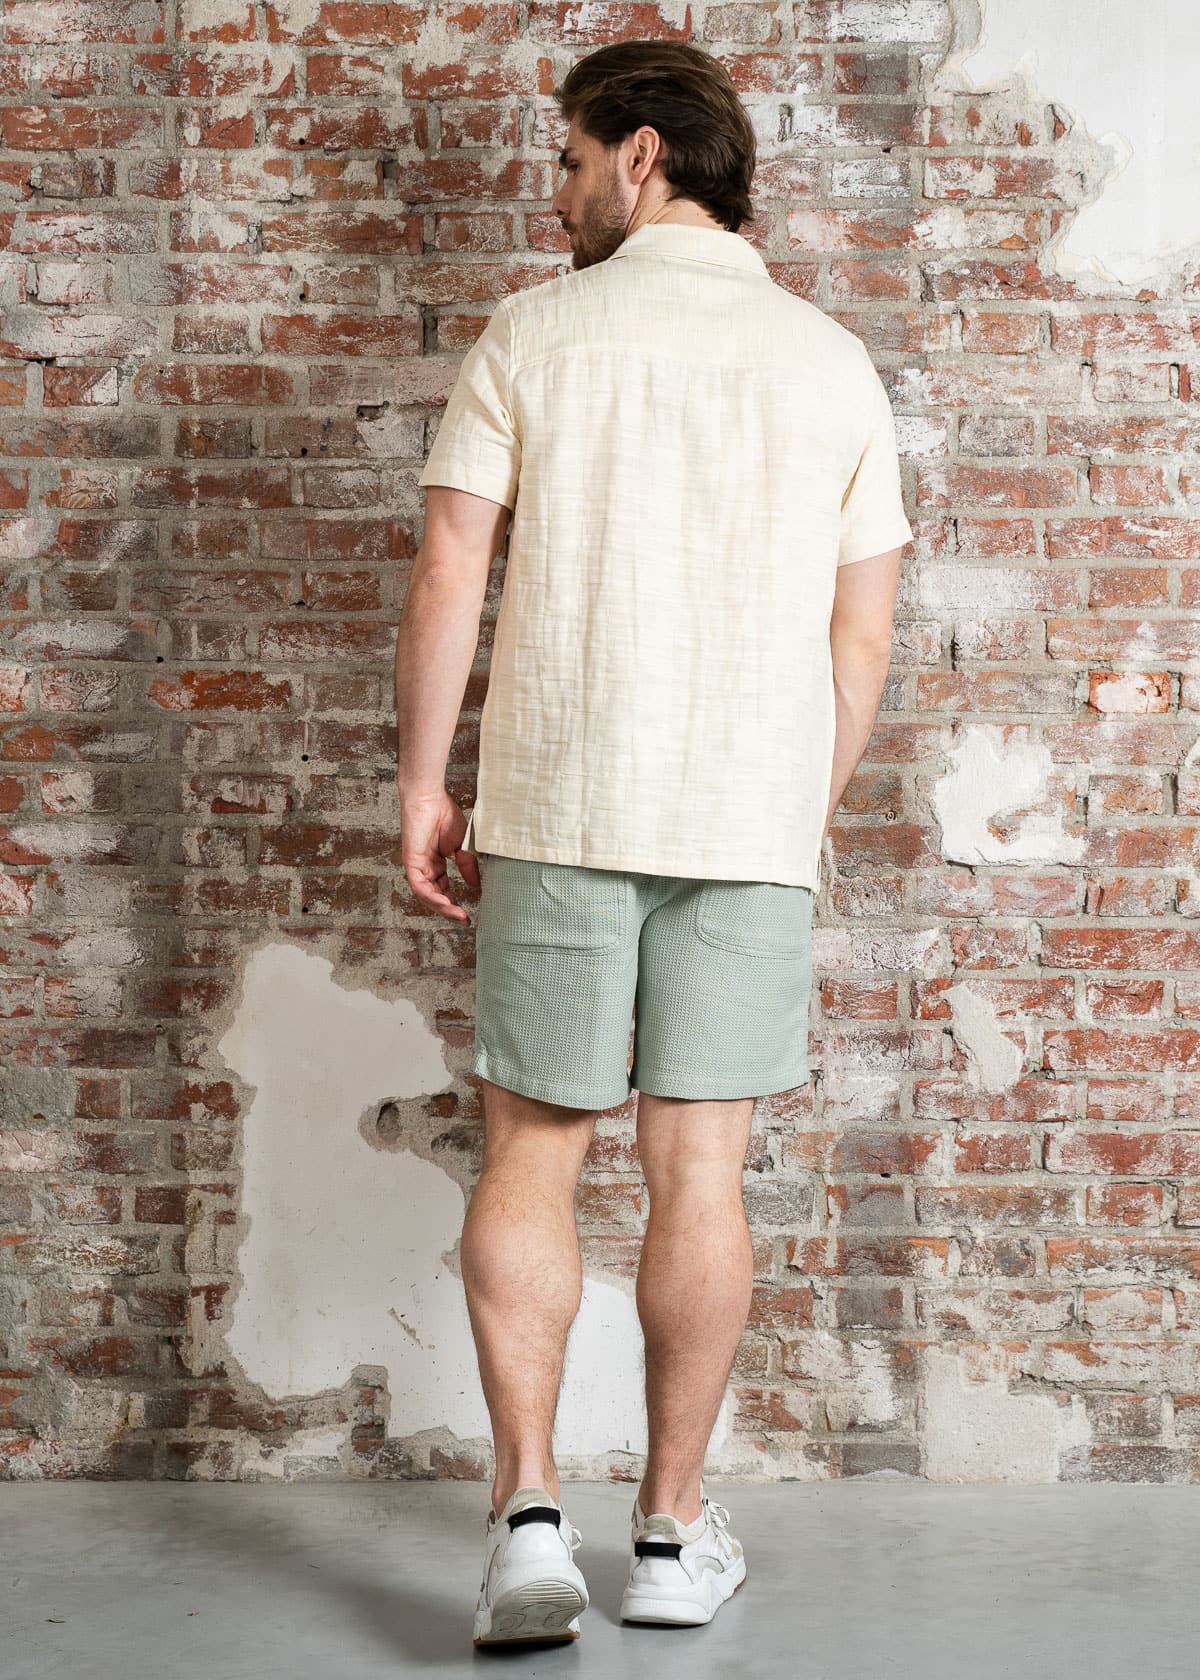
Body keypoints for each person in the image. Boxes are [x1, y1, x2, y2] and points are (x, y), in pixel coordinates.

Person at [395, 38, 913, 1647]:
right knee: (700, 1170)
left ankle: (527, 1525)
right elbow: (860, 635)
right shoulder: (831, 360)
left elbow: (450, 568)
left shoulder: (537, 332)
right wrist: (793, 810)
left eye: (566, 163)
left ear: (639, 155)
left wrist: (423, 786)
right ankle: (674, 1538)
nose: (555, 198)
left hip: (561, 800)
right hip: (747, 817)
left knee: (533, 1154)